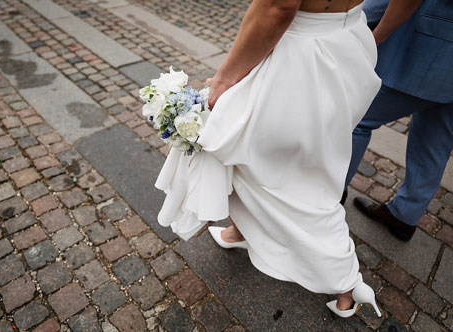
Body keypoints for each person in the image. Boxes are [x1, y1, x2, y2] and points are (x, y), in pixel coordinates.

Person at [155, 0, 384, 318]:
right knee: (290, 166)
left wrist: (223, 81)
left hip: (299, 57)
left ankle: (346, 284)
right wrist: (377, 35)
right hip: (349, 45)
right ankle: (239, 232)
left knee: (244, 154)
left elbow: (278, 7)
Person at [342, 0, 453, 242]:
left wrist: (374, 34)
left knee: (356, 118)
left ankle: (328, 199)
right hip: (442, 53)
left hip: (433, 49)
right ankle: (404, 216)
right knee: (435, 140)